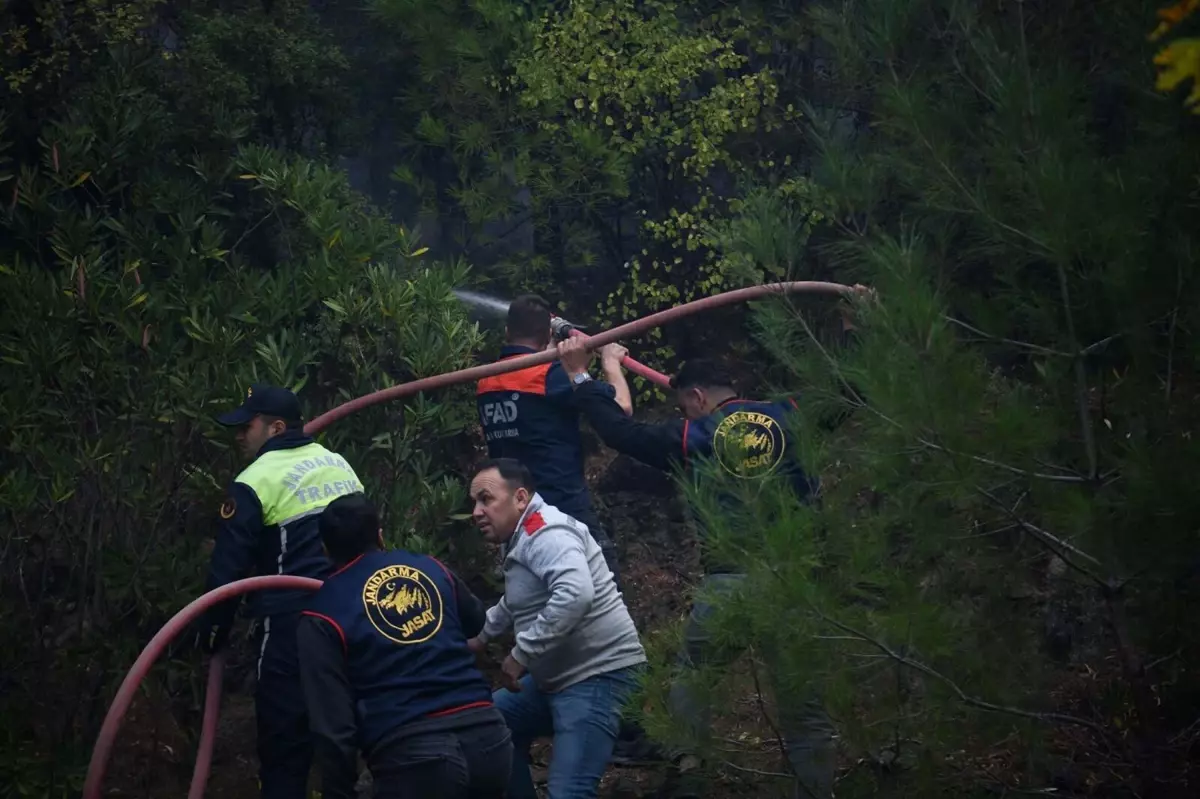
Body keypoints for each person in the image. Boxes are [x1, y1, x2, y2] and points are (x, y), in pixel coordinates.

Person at [556, 338, 836, 799]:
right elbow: (847, 389)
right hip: (794, 586)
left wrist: (584, 374)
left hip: (727, 583)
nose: (685, 416)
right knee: (805, 710)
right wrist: (852, 324)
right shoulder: (790, 414)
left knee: (693, 678)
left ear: (697, 398)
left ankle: (688, 771)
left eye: (684, 408)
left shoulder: (697, 434)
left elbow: (621, 434)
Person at [194, 384, 367, 799]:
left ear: (275, 428)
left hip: (292, 621)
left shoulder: (254, 479)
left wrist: (210, 629)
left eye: (246, 426)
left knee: (283, 742)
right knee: (344, 735)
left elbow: (229, 568)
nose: (239, 435)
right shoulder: (337, 463)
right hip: (354, 617)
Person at [297, 492, 513, 799]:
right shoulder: (431, 568)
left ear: (325, 550)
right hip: (489, 740)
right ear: (380, 536)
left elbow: (333, 726)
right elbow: (476, 620)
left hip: (414, 758)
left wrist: (338, 790)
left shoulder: (321, 614)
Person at [465, 458, 648, 799]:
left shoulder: (546, 532)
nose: (476, 511)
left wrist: (522, 655)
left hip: (599, 675)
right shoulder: (523, 536)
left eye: (485, 499)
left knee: (569, 791)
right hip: (560, 680)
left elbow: (575, 594)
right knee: (490, 729)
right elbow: (518, 600)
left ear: (520, 498)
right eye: (474, 502)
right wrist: (479, 637)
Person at [475, 293, 631, 585]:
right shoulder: (550, 375)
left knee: (538, 599)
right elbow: (621, 408)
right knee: (604, 588)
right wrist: (611, 364)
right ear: (548, 333)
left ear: (507, 332)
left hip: (517, 516)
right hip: (564, 509)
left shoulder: (487, 381)